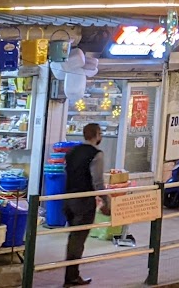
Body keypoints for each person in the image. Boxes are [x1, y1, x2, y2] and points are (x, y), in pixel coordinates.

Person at [62, 123, 109, 288]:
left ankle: (72, 275)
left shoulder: (72, 152)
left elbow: (66, 173)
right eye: (100, 133)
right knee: (78, 239)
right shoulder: (96, 154)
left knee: (73, 237)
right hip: (83, 201)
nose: (101, 136)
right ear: (96, 135)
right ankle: (71, 277)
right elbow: (97, 182)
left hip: (68, 199)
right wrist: (106, 201)